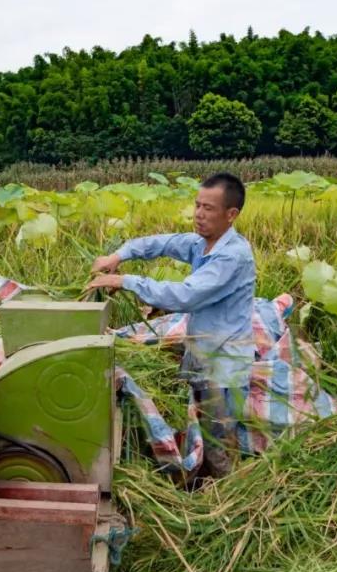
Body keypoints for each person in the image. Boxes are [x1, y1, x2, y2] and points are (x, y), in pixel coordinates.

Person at [87, 172, 255, 477]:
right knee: (198, 435)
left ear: (231, 215)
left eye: (208, 209)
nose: (199, 215)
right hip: (202, 354)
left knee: (219, 447)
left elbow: (185, 295)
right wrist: (118, 255)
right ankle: (201, 490)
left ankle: (226, 509)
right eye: (197, 205)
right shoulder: (201, 244)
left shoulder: (233, 257)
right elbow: (161, 243)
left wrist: (125, 280)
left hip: (223, 366)